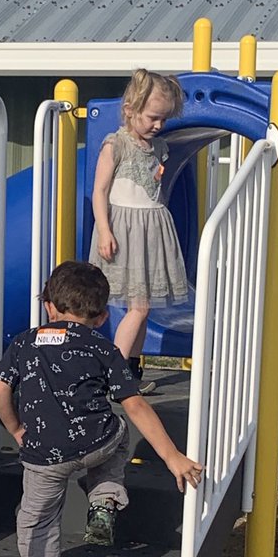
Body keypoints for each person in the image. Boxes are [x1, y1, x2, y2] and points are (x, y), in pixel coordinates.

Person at [0, 261, 202, 557]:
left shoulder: (23, 343)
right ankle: (104, 499)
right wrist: (173, 456)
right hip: (94, 442)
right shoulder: (103, 347)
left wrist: (15, 428)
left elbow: (0, 390)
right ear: (103, 316)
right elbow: (135, 405)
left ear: (48, 305)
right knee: (118, 429)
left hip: (43, 458)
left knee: (36, 529)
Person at [89, 69, 189, 391]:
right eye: (152, 118)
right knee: (139, 307)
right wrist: (105, 231)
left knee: (143, 309)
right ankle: (114, 376)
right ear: (130, 110)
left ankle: (130, 373)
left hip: (150, 231)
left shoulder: (159, 148)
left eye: (163, 119)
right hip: (125, 229)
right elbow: (100, 191)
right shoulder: (115, 145)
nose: (158, 125)